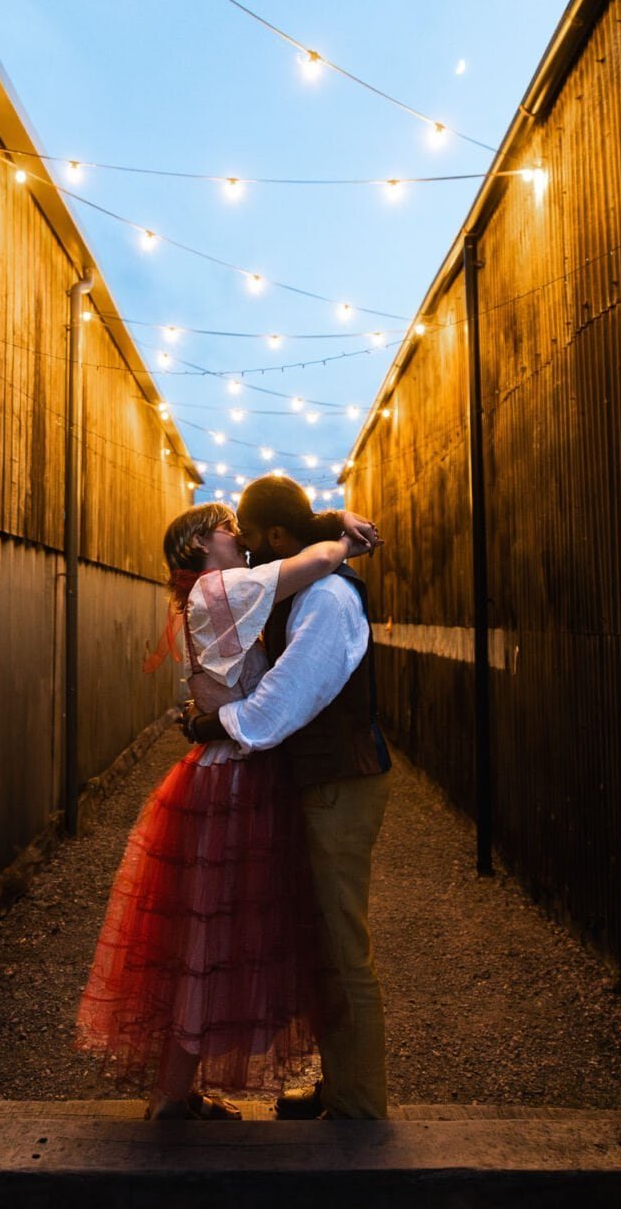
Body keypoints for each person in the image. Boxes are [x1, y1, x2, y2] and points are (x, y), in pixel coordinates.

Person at [74, 500, 379, 1120]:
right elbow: (314, 558)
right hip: (238, 776)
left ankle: (175, 1092)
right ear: (198, 545)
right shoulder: (224, 588)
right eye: (225, 530)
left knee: (202, 935)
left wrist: (331, 511)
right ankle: (173, 1098)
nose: (237, 537)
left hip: (221, 769)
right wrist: (343, 534)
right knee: (215, 936)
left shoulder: (202, 596)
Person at [183, 476, 392, 1120]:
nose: (243, 550)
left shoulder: (326, 598)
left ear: (277, 536)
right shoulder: (307, 581)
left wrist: (215, 723)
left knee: (340, 942)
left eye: (250, 537)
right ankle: (344, 1084)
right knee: (324, 937)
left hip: (340, 781)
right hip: (326, 777)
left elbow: (285, 701)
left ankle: (359, 1106)